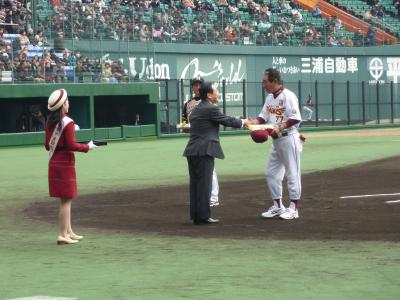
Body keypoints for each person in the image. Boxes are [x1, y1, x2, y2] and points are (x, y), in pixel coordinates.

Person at [183, 82, 250, 225]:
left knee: (195, 184)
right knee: (205, 184)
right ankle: (204, 217)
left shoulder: (197, 108)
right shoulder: (209, 108)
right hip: (204, 150)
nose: (218, 93)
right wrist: (244, 121)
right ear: (209, 94)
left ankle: (196, 215)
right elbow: (227, 120)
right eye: (216, 91)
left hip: (192, 150)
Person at [248, 68, 303, 220]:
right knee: (272, 173)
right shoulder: (270, 98)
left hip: (289, 138)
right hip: (276, 140)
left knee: (293, 173)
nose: (263, 84)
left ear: (275, 81)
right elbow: (263, 117)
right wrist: (253, 123)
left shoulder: (288, 96)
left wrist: (281, 126)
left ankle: (293, 208)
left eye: (265, 81)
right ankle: (278, 206)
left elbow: (296, 118)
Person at [45, 89, 97, 245]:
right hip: (65, 163)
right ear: (63, 105)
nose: (68, 103)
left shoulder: (50, 123)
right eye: (67, 101)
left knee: (67, 198)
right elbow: (71, 145)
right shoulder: (68, 122)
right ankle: (62, 234)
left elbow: (48, 146)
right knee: (66, 200)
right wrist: (87, 147)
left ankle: (68, 231)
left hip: (55, 162)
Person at [182, 76, 220, 207]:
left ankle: (214, 197)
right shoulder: (187, 104)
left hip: (207, 139)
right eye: (195, 85)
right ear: (192, 87)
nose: (197, 87)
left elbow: (216, 119)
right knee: (198, 171)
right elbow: (185, 123)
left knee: (210, 170)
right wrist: (184, 127)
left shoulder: (210, 103)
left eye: (199, 84)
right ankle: (202, 198)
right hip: (195, 139)